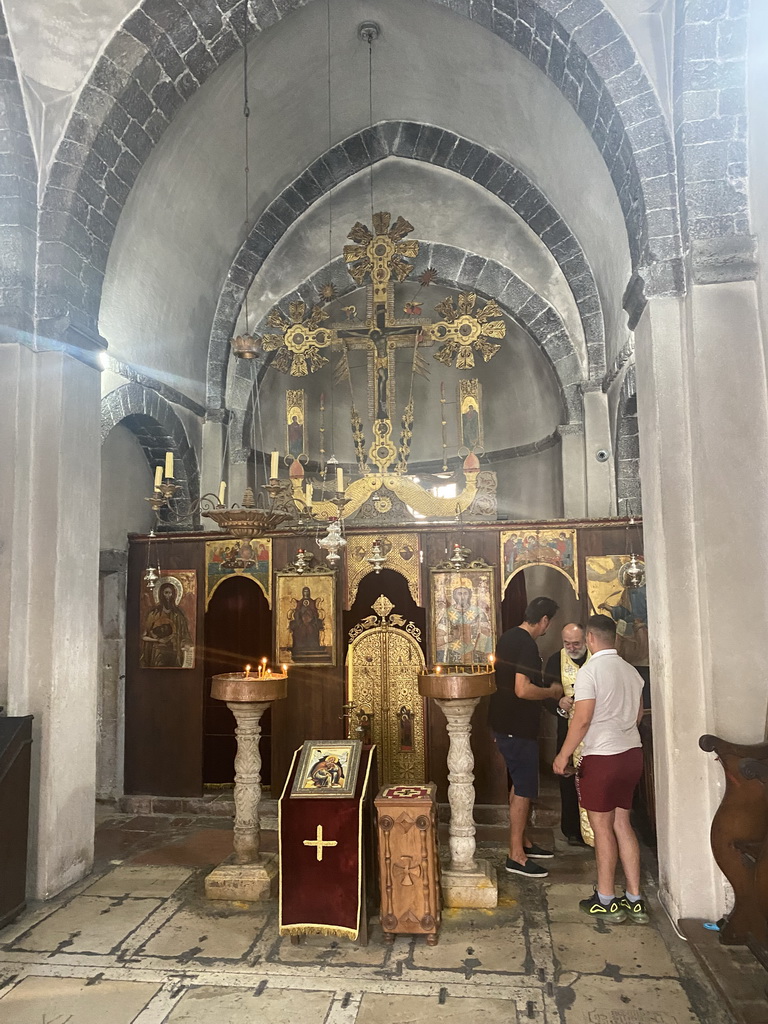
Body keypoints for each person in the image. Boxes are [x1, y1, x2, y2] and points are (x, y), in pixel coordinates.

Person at [553, 614, 648, 924]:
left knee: (603, 828)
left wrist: (563, 756)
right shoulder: (632, 672)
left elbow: (581, 720)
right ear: (614, 638)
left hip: (602, 758)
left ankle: (606, 898)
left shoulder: (590, 672)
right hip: (631, 755)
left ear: (591, 639)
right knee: (623, 823)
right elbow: (637, 717)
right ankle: (634, 898)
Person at [488, 596, 563, 878]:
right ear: (544, 620)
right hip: (516, 726)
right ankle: (516, 856)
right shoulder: (528, 644)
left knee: (520, 783)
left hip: (504, 722)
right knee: (524, 787)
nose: (547, 626)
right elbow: (522, 689)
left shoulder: (508, 636)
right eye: (549, 622)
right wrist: (551, 692)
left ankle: (523, 842)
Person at [544, 623, 590, 846]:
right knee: (568, 776)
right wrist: (559, 703)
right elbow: (546, 695)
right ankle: (573, 830)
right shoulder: (556, 660)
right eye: (567, 643)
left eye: (576, 643)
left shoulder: (596, 657)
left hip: (595, 730)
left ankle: (597, 830)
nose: (571, 648)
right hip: (568, 728)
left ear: (586, 639)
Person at [435, 583, 494, 664]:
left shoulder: (478, 612)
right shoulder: (448, 613)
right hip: (453, 650)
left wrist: (476, 645)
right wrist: (449, 638)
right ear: (454, 596)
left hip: (475, 650)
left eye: (465, 593)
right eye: (459, 593)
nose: (462, 597)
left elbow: (487, 633)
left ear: (469, 595)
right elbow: (438, 636)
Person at [141, 580, 193, 668]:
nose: (168, 596)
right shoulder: (153, 614)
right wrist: (157, 640)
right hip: (157, 653)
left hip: (174, 652)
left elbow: (185, 635)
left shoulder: (178, 615)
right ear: (161, 594)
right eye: (166, 593)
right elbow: (144, 636)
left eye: (171, 593)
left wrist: (185, 644)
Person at [289, 586, 324, 660]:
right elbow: (297, 612)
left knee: (311, 629)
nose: (306, 593)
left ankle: (313, 647)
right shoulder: (300, 602)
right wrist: (300, 618)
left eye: (307, 591)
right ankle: (299, 647)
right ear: (302, 593)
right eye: (304, 591)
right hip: (301, 622)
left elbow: (315, 613)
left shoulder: (312, 602)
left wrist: (310, 615)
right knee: (300, 629)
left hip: (311, 622)